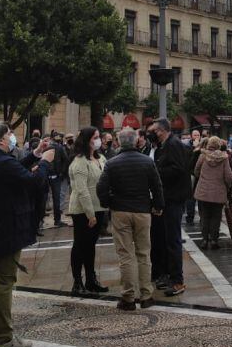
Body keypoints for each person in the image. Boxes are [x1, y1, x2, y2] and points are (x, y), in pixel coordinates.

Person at [0, 121, 54, 347]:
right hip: (6, 228)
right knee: (5, 281)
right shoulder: (2, 162)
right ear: (0, 140)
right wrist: (45, 161)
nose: (12, 137)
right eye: (9, 134)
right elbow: (34, 183)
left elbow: (13, 168)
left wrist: (34, 155)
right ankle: (5, 338)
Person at [98, 128, 165, 310]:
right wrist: (158, 206)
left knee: (125, 255)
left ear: (119, 142)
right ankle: (146, 295)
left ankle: (128, 297)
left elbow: (101, 188)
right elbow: (157, 186)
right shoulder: (147, 162)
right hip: (142, 211)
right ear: (136, 141)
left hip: (120, 210)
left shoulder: (112, 163)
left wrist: (108, 202)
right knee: (144, 253)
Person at [151, 118, 191, 295]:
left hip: (174, 197)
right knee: (168, 239)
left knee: (173, 240)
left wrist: (157, 171)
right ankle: (171, 276)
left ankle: (177, 281)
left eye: (155, 130)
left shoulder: (173, 144)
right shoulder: (166, 144)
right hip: (170, 197)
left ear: (162, 130)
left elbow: (178, 169)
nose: (153, 133)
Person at [68, 126, 107, 296]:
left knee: (90, 245)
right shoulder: (80, 162)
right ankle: (77, 282)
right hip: (83, 210)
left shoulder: (101, 158)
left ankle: (91, 279)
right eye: (95, 137)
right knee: (80, 245)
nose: (99, 140)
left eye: (99, 136)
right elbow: (82, 191)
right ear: (87, 140)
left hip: (99, 207)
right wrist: (90, 214)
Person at [194, 136, 232, 249]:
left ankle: (204, 239)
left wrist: (202, 178)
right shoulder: (224, 158)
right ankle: (214, 240)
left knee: (204, 216)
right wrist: (227, 186)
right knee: (216, 217)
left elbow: (196, 171)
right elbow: (229, 176)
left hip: (203, 192)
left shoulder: (203, 156)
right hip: (218, 192)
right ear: (219, 145)